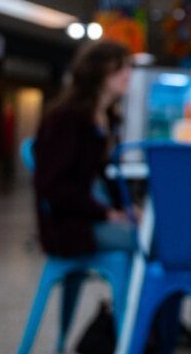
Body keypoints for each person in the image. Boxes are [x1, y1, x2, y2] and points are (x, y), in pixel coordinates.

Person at [33, 41, 135, 257]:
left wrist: (126, 208)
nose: (128, 74)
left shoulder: (107, 118)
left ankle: (133, 292)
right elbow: (54, 186)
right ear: (97, 71)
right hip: (70, 228)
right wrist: (106, 213)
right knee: (156, 244)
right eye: (120, 67)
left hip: (91, 218)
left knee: (167, 238)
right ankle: (134, 292)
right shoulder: (66, 119)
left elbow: (106, 176)